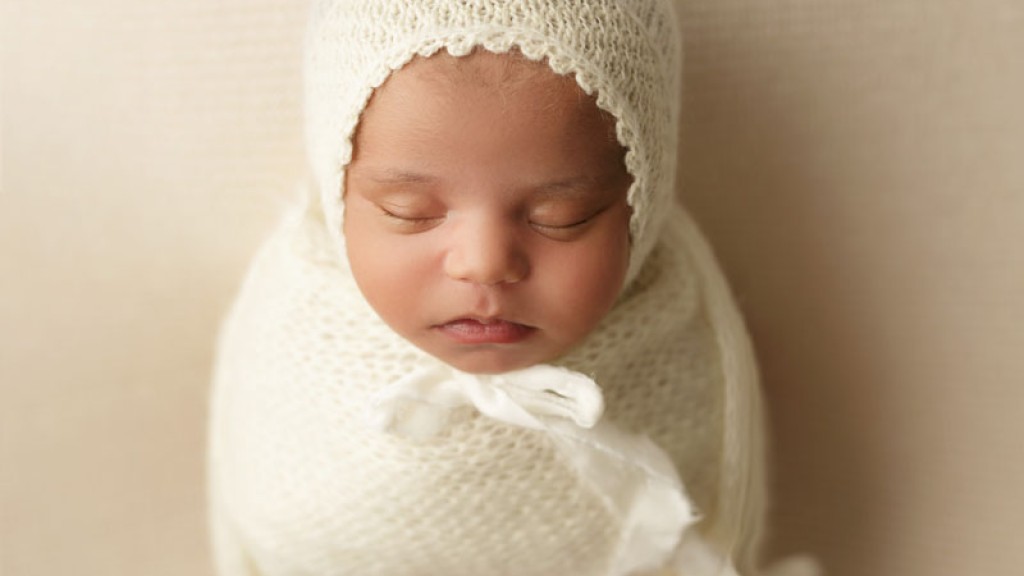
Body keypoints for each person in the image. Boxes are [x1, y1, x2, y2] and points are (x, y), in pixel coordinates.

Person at [208, 1, 817, 575]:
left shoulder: (676, 340)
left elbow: (707, 529)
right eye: (408, 210)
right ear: (338, 193)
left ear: (643, 203)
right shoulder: (301, 336)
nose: (485, 264)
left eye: (563, 216)